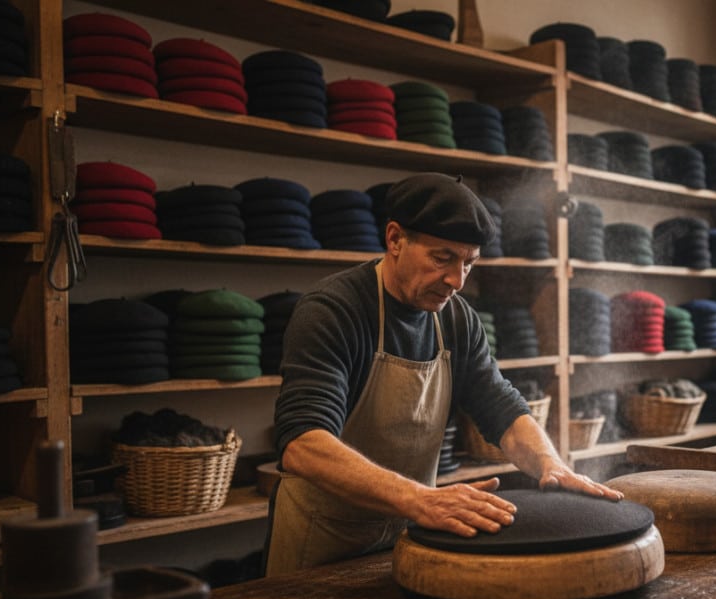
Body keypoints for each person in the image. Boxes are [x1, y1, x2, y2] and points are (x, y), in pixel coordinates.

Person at [265, 173, 622, 576]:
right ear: (395, 239)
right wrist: (420, 499)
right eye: (442, 257)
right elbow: (303, 444)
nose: (456, 281)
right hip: (321, 545)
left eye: (468, 263)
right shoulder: (334, 310)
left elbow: (500, 406)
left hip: (411, 534)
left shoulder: (456, 319)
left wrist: (551, 465)